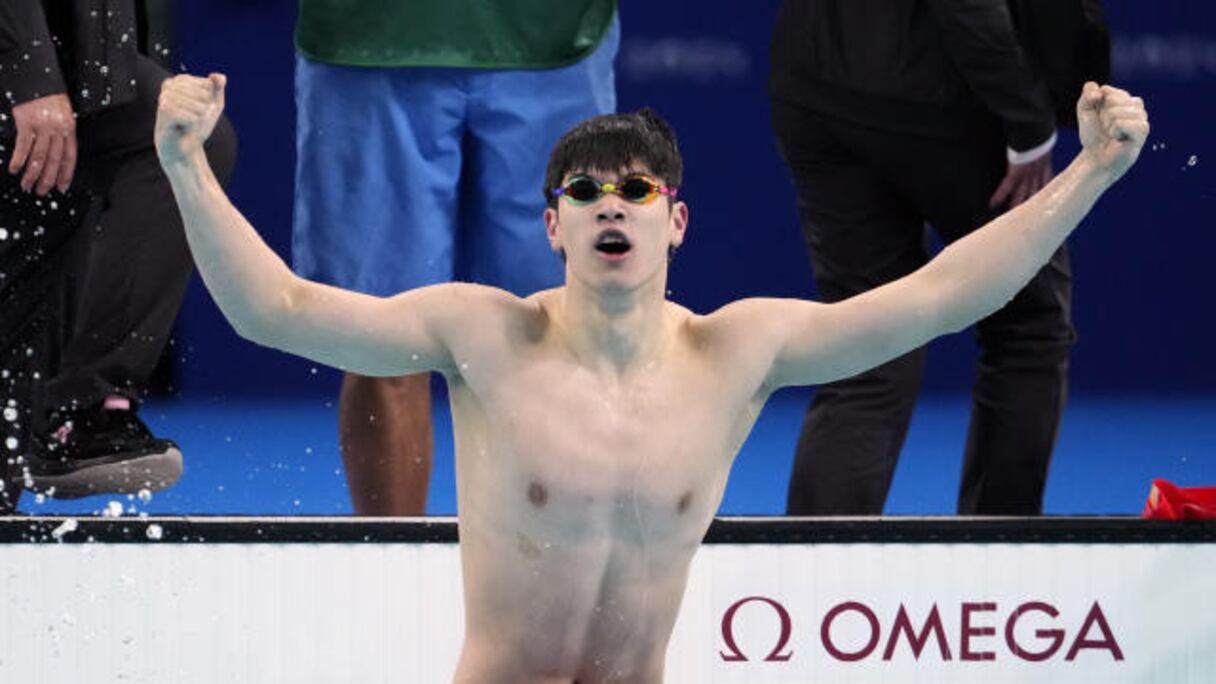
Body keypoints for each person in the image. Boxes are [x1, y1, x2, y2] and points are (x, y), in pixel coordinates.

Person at [156, 71, 1147, 682]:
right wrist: (183, 166)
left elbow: (941, 296)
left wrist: (1092, 171)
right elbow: (274, 311)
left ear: (675, 219)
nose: (608, 206)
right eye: (583, 192)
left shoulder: (736, 352)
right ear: (553, 227)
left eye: (635, 189)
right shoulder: (484, 335)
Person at [292, 0, 618, 515]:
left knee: (561, 334)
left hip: (555, 33)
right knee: (382, 338)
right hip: (372, 34)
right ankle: (391, 577)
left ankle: (558, 581)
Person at [769, 0, 1077, 515]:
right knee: (1028, 322)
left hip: (815, 85)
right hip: (946, 97)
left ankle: (815, 573)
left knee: (866, 344)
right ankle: (998, 563)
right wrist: (1027, 122)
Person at [0, 0, 237, 512]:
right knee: (183, 140)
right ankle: (81, 413)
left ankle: (77, 418)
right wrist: (27, 71)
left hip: (80, 69)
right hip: (35, 73)